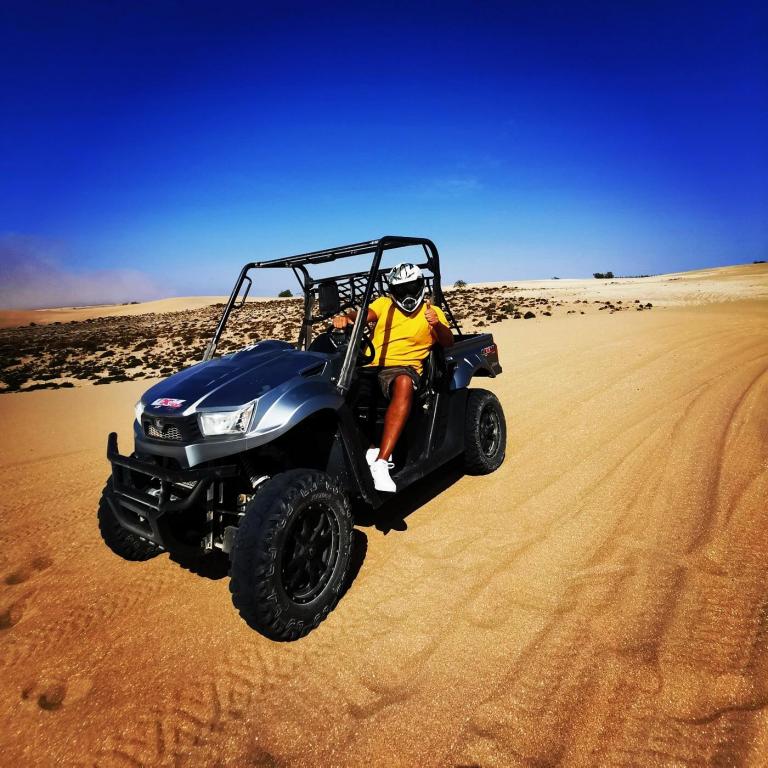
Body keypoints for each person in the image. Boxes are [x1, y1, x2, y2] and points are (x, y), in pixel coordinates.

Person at [333, 263, 453, 492]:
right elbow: (362, 314)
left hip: (403, 369)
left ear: (421, 286)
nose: (407, 295)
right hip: (370, 364)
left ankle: (381, 463)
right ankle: (368, 449)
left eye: (412, 288)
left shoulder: (432, 311)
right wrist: (346, 317)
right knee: (334, 389)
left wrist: (435, 324)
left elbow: (447, 342)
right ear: (392, 291)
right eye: (401, 290)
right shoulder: (384, 304)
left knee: (404, 382)